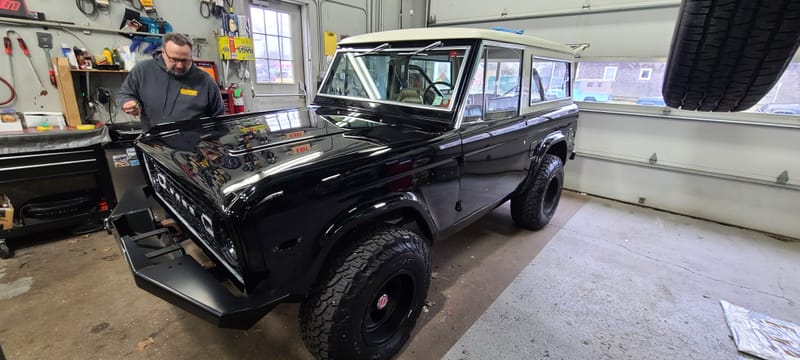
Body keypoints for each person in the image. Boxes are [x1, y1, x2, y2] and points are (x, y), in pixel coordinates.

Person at [118, 33, 224, 131]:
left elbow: (219, 118)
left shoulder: (205, 81)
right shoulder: (143, 70)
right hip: (154, 145)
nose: (179, 65)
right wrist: (128, 102)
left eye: (185, 60)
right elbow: (125, 93)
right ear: (163, 52)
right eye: (174, 59)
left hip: (193, 147)